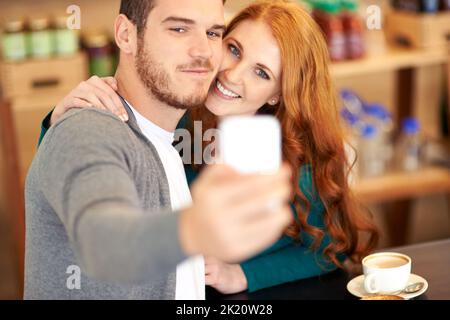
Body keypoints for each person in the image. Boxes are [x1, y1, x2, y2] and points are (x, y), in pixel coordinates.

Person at [40, 0, 379, 295]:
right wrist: (59, 122)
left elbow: (331, 249)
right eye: (233, 49)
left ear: (278, 93)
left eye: (261, 72)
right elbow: (83, 173)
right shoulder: (178, 114)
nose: (231, 75)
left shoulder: (295, 160)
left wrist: (245, 274)